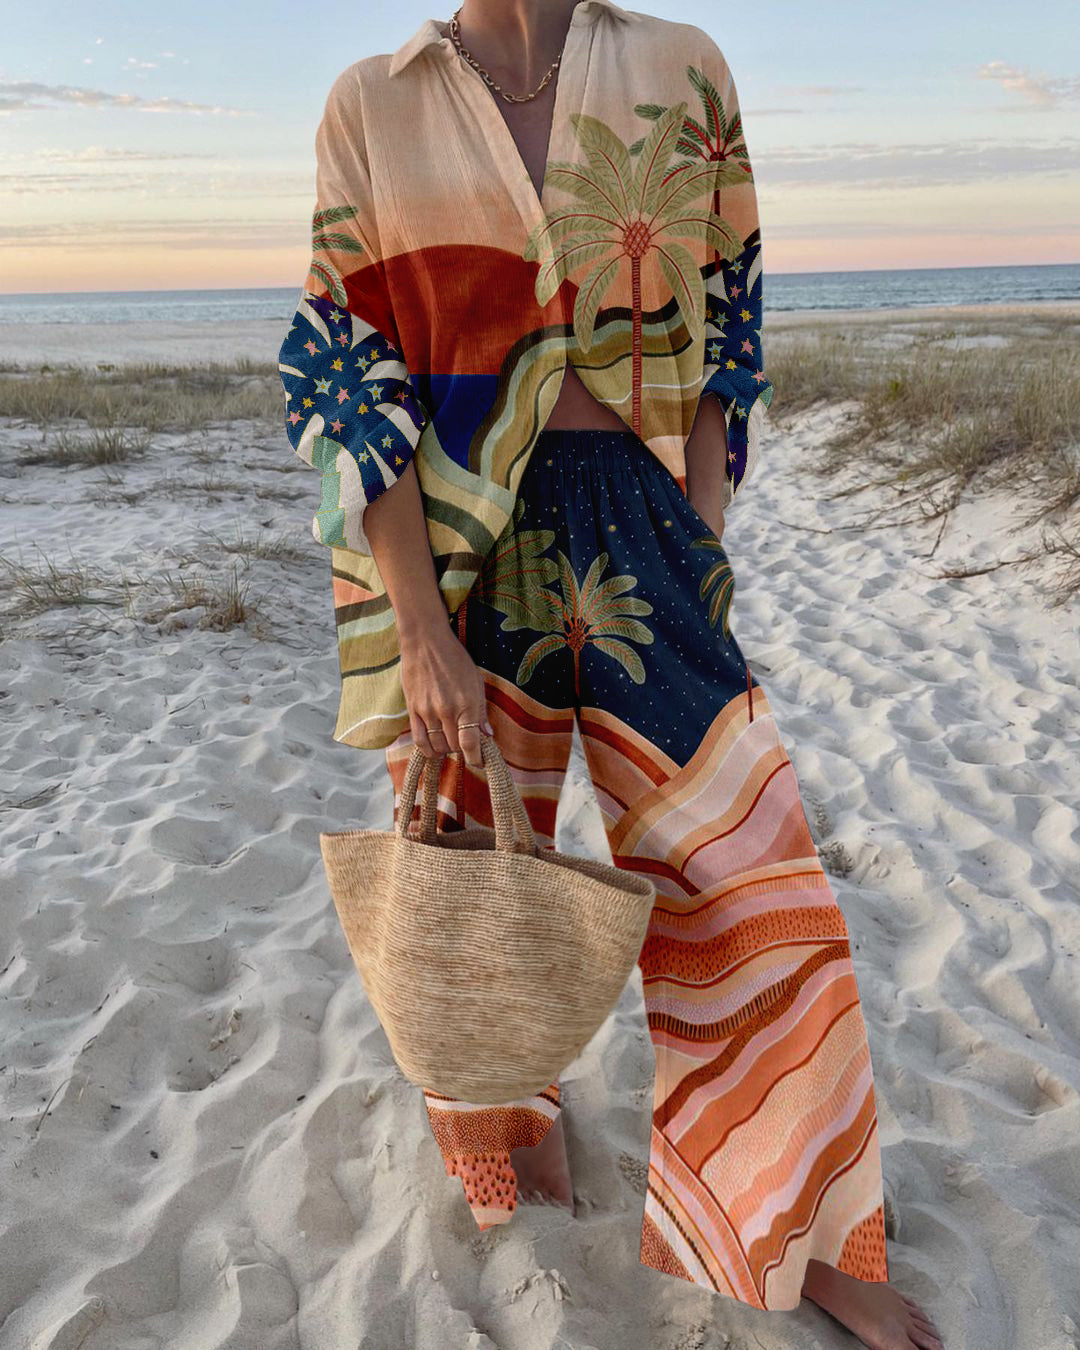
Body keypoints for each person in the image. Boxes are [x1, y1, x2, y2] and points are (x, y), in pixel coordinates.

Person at [278, 2, 944, 1345]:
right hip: (465, 547)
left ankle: (798, 1226)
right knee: (473, 865)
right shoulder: (374, 103)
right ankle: (505, 1125)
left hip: (645, 521)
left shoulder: (680, 68)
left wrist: (701, 517)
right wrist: (419, 626)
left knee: (750, 869)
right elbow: (348, 369)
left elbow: (733, 292)